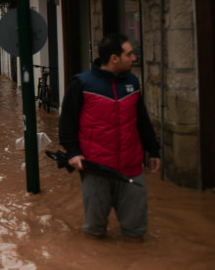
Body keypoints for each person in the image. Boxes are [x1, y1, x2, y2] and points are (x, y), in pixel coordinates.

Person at [58, 33, 161, 242]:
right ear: (114, 58)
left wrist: (154, 149)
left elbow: (141, 119)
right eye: (129, 54)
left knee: (136, 233)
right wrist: (73, 152)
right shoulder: (81, 84)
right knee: (95, 232)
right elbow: (66, 123)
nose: (134, 58)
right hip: (96, 170)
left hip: (132, 169)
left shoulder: (132, 82)